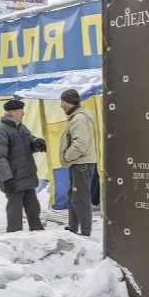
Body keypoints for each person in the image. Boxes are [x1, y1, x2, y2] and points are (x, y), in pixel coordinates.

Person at [0, 98, 47, 232]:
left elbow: (29, 141)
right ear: (13, 112)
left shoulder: (21, 127)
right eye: (21, 111)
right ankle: (14, 236)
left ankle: (38, 234)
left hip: (26, 176)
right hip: (14, 178)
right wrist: (7, 178)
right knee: (14, 210)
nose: (23, 113)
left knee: (33, 207)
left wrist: (37, 143)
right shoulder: (0, 131)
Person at [58, 89, 98, 236]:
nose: (61, 105)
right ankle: (73, 228)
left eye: (62, 101)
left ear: (69, 102)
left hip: (81, 163)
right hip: (78, 163)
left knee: (80, 197)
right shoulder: (75, 117)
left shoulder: (79, 118)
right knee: (72, 196)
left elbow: (81, 143)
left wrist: (68, 157)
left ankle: (86, 231)